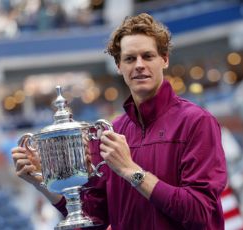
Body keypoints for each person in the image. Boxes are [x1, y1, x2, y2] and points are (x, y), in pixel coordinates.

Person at [11, 13, 227, 230]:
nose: (139, 65)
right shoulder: (110, 133)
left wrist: (131, 170)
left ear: (165, 59)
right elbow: (94, 218)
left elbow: (199, 211)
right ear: (118, 65)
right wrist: (44, 182)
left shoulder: (197, 122)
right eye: (130, 58)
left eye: (148, 56)